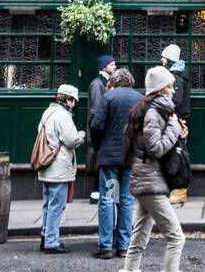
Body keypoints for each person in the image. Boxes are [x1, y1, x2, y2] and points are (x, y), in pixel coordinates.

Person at [118, 66, 195, 272]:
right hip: (150, 183)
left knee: (138, 240)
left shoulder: (158, 111)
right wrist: (173, 129)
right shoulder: (154, 112)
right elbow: (157, 148)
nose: (174, 90)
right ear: (160, 89)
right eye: (170, 86)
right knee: (176, 237)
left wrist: (176, 131)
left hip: (148, 180)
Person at [90, 67, 138, 258]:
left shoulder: (108, 98)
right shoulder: (138, 98)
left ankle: (106, 245)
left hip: (110, 157)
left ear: (114, 81)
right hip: (130, 157)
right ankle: (124, 245)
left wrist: (97, 145)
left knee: (108, 199)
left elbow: (96, 125)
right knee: (126, 200)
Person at [36, 84, 85, 253]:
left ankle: (45, 236)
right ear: (67, 98)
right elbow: (71, 140)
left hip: (47, 165)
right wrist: (80, 136)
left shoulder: (47, 112)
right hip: (59, 166)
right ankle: (51, 242)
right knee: (57, 205)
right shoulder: (63, 116)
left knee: (48, 204)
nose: (73, 105)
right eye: (73, 101)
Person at [161, 43, 191, 206]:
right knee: (177, 154)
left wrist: (172, 118)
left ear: (170, 59)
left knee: (176, 155)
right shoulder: (178, 73)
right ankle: (176, 188)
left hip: (176, 120)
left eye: (164, 57)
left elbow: (176, 101)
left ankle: (180, 190)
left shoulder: (176, 76)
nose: (162, 59)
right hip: (177, 119)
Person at [87, 54, 117, 203]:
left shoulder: (106, 82)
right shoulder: (97, 84)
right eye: (112, 65)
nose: (115, 67)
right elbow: (97, 110)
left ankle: (100, 193)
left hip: (104, 129)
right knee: (99, 162)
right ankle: (95, 194)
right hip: (100, 131)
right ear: (104, 67)